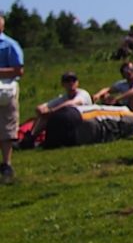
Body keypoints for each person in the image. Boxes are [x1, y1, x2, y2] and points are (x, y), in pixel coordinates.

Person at [23, 71, 92, 149]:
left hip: (86, 123)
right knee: (45, 116)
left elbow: (72, 103)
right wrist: (41, 111)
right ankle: (31, 137)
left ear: (77, 82)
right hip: (72, 125)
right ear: (63, 84)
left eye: (73, 80)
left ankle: (31, 138)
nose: (71, 83)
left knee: (52, 116)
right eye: (67, 81)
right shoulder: (63, 97)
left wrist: (52, 111)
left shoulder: (83, 94)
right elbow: (43, 107)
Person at [0, 13, 24, 184]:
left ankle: (6, 163)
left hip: (5, 91)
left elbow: (18, 70)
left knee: (7, 126)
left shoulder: (10, 45)